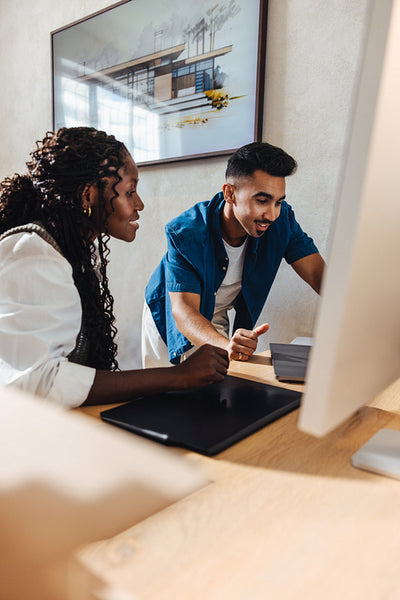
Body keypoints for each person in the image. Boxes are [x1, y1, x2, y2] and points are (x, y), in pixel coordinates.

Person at [0, 127, 228, 409]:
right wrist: (177, 376)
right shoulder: (33, 255)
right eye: (130, 192)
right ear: (88, 196)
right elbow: (37, 382)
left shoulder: (71, 251)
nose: (139, 204)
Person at [142, 141, 325, 367]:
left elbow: (317, 273)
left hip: (216, 313)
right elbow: (184, 310)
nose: (271, 214)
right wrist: (227, 345)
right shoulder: (186, 232)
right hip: (171, 311)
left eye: (278, 202)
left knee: (219, 381)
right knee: (164, 392)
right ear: (230, 193)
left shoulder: (282, 222)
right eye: (262, 200)